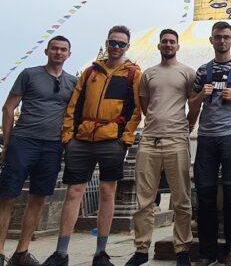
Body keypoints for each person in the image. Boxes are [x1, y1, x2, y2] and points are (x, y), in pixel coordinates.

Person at [42, 25, 142, 266]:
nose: (116, 47)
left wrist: (126, 138)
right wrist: (68, 136)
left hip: (113, 139)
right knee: (73, 193)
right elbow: (74, 105)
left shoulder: (133, 74)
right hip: (82, 138)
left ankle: (101, 252)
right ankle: (61, 252)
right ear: (107, 43)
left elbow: (137, 108)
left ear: (127, 47)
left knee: (108, 193)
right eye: (112, 42)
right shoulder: (90, 72)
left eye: (121, 44)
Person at [0, 37, 76, 266]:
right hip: (24, 140)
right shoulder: (29, 75)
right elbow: (9, 107)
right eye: (54, 48)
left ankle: (21, 252)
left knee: (39, 198)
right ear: (46, 51)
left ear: (69, 54)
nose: (58, 53)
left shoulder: (73, 82)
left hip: (52, 145)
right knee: (7, 196)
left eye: (63, 50)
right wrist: (7, 142)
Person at [124, 29, 196, 266]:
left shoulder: (187, 72)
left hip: (177, 140)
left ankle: (182, 248)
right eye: (164, 41)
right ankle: (141, 249)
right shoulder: (149, 74)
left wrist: (186, 126)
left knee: (181, 199)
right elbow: (145, 105)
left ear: (178, 46)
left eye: (172, 42)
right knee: (144, 200)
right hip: (149, 140)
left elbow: (194, 104)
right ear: (159, 46)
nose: (168, 45)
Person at [189, 22, 231, 266]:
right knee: (205, 193)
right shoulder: (202, 71)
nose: (222, 41)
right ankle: (207, 252)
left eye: (226, 37)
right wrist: (201, 96)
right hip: (206, 136)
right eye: (218, 37)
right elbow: (192, 103)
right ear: (211, 40)